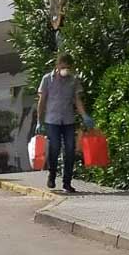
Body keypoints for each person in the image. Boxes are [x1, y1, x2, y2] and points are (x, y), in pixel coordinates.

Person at [36, 53, 92, 193]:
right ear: (57, 65)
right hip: (52, 120)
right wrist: (39, 121)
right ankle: (52, 175)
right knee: (54, 147)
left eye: (68, 67)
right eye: (63, 67)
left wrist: (84, 115)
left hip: (68, 120)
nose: (65, 70)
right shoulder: (47, 79)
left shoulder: (73, 80)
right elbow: (42, 101)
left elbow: (77, 100)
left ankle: (67, 182)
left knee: (70, 150)